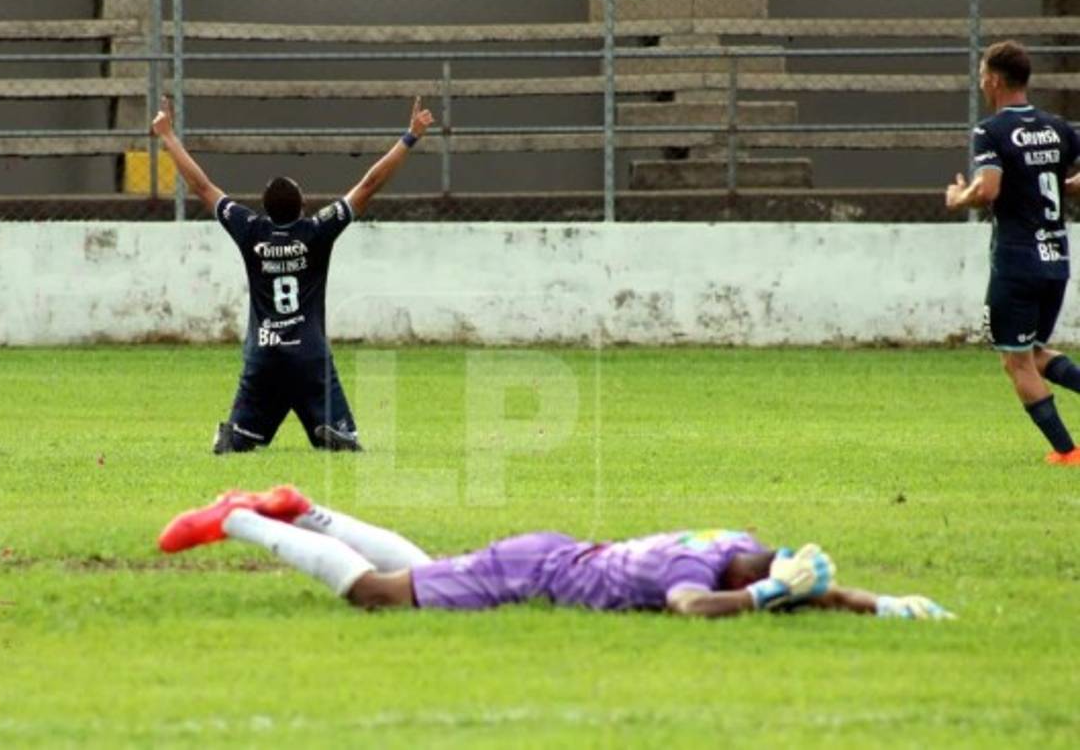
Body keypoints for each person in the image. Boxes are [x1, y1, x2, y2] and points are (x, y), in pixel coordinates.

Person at [157, 486, 955, 621]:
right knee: (379, 595)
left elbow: (793, 583)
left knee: (428, 567)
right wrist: (772, 597)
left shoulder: (738, 545)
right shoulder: (696, 575)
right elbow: (695, 608)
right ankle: (240, 522)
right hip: (532, 570)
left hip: (549, 556)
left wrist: (879, 604)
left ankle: (306, 510)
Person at [151, 97, 436, 454]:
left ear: (265, 208)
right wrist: (410, 137)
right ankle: (327, 426)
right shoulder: (316, 231)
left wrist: (168, 136)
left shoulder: (250, 230)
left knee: (240, 442)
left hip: (264, 354)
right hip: (308, 355)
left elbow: (202, 186)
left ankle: (238, 433)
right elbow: (368, 184)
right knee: (346, 442)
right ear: (302, 205)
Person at [946, 40, 1080, 466]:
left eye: (983, 74)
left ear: (994, 80)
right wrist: (1064, 186)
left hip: (1017, 261)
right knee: (1037, 352)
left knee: (1016, 360)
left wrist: (958, 198)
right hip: (1056, 259)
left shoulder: (992, 131)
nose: (982, 82)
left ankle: (1067, 451)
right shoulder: (1057, 127)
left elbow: (988, 189)